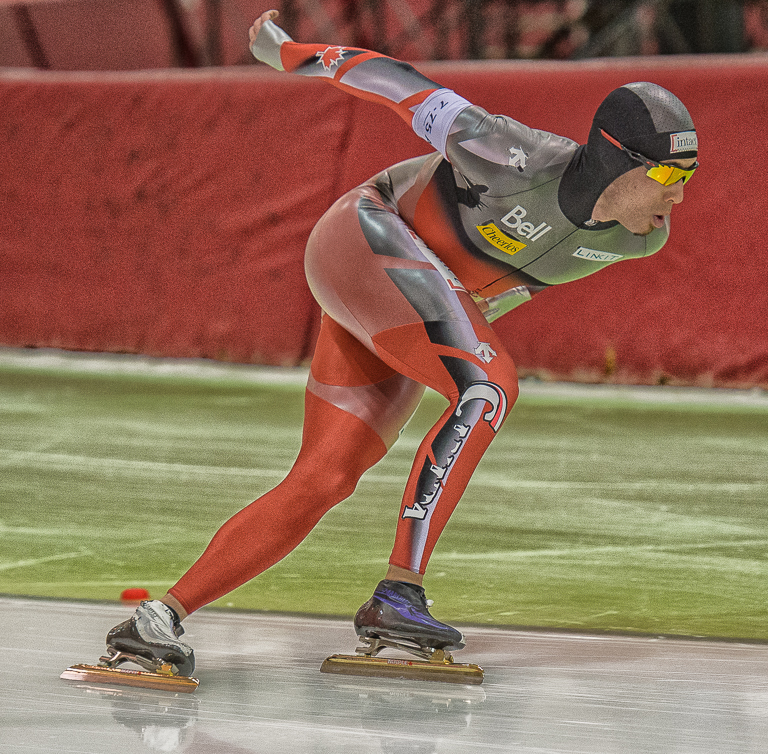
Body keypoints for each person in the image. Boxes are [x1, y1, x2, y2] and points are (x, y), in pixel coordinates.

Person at [103, 10, 698, 677]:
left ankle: (157, 619)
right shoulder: (510, 153)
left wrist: (462, 313)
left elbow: (516, 276)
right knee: (487, 387)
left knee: (326, 477)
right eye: (669, 177)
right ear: (618, 160)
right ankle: (399, 593)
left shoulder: (639, 238)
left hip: (402, 296)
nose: (678, 197)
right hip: (365, 235)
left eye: (689, 178)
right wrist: (290, 53)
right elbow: (396, 83)